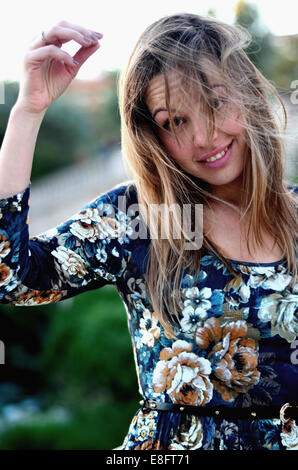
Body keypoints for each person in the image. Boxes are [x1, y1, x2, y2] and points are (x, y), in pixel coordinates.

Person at [0, 14, 297, 451]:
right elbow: (9, 277)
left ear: (248, 94)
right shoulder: (139, 218)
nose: (204, 138)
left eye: (215, 103)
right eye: (174, 121)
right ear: (151, 133)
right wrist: (28, 111)